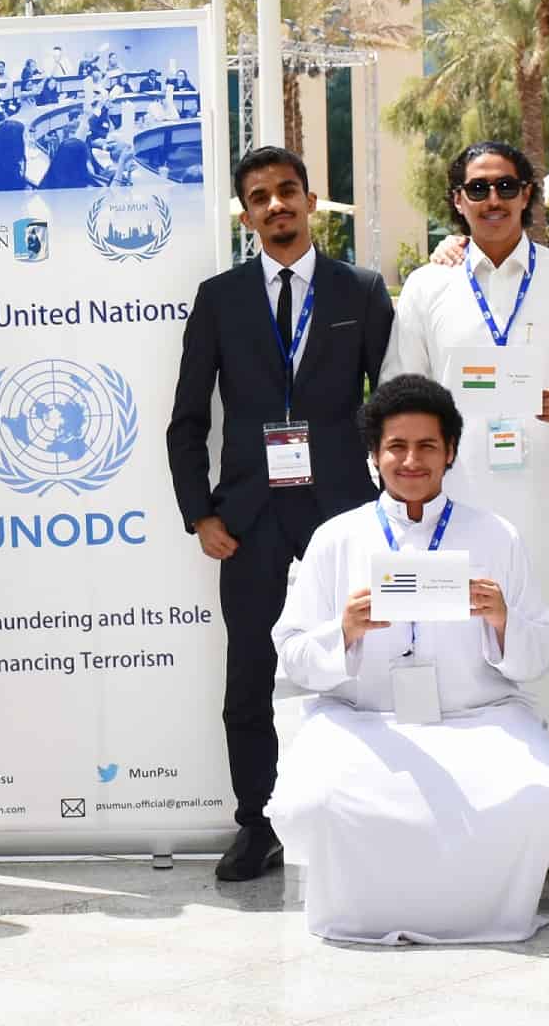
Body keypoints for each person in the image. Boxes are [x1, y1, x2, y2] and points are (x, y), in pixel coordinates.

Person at [269, 374, 549, 944]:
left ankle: (490, 915)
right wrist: (345, 631)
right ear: (374, 456)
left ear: (451, 454)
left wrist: (501, 619)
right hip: (362, 719)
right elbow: (292, 653)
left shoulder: (495, 535)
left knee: (545, 796)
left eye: (427, 446)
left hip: (477, 717)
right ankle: (361, 917)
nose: (411, 460)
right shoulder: (336, 538)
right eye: (396, 446)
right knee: (311, 801)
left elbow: (539, 652)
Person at [165, 145, 396, 883]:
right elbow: (186, 419)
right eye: (259, 196)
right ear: (245, 212)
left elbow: (391, 400)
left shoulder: (359, 289)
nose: (275, 206)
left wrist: (390, 508)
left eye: (287, 191)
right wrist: (198, 512)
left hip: (342, 512)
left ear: (310, 198)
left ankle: (371, 813)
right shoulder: (220, 297)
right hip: (250, 517)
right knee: (249, 676)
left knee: (365, 664)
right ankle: (254, 822)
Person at [388, 140, 549, 869]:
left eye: (506, 186)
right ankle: (470, 821)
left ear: (529, 194)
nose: (493, 200)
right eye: (477, 189)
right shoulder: (428, 287)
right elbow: (404, 390)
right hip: (460, 504)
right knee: (465, 658)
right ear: (457, 199)